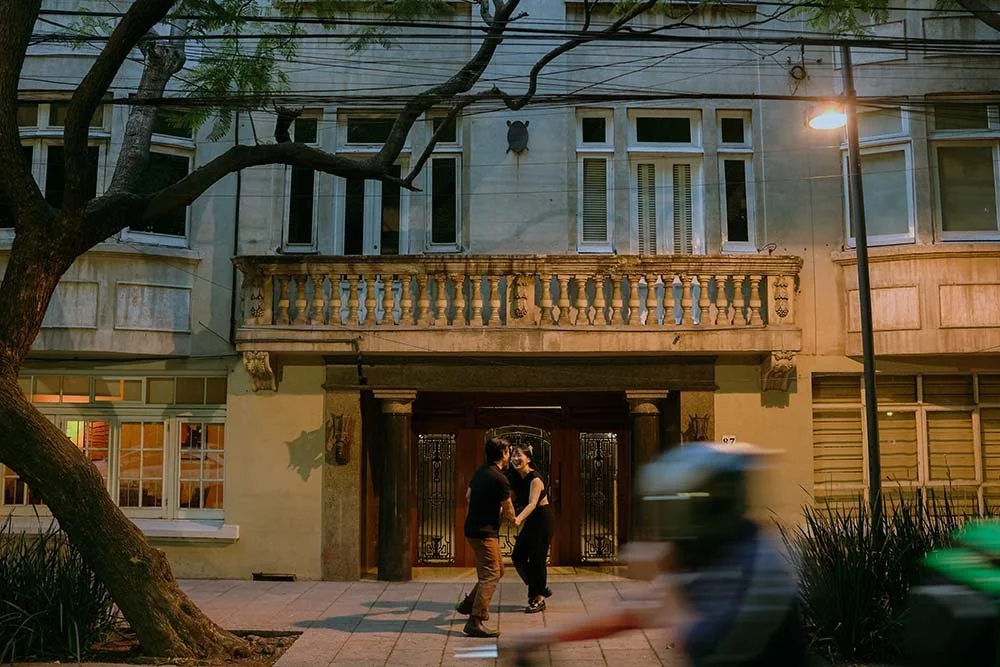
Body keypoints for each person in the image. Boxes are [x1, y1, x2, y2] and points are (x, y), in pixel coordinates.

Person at [506, 442, 807, 667]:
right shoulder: (718, 546)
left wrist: (665, 581)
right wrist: (548, 637)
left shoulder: (755, 567)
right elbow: (634, 613)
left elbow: (696, 633)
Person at [455, 436, 518, 638]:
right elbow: (508, 509)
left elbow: (468, 496)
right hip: (484, 533)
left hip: (474, 528)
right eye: (508, 451)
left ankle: (468, 604)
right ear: (503, 454)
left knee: (498, 569)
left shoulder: (481, 471)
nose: (510, 455)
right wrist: (517, 521)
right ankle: (475, 620)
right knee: (491, 573)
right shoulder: (500, 478)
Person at [508, 443, 554, 613]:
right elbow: (510, 499)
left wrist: (519, 518)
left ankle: (538, 598)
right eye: (513, 455)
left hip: (542, 519)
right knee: (518, 556)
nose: (515, 458)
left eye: (519, 455)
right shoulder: (515, 476)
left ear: (528, 458)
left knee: (537, 559)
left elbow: (532, 504)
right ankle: (539, 587)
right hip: (531, 520)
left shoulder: (535, 479)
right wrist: (499, 511)